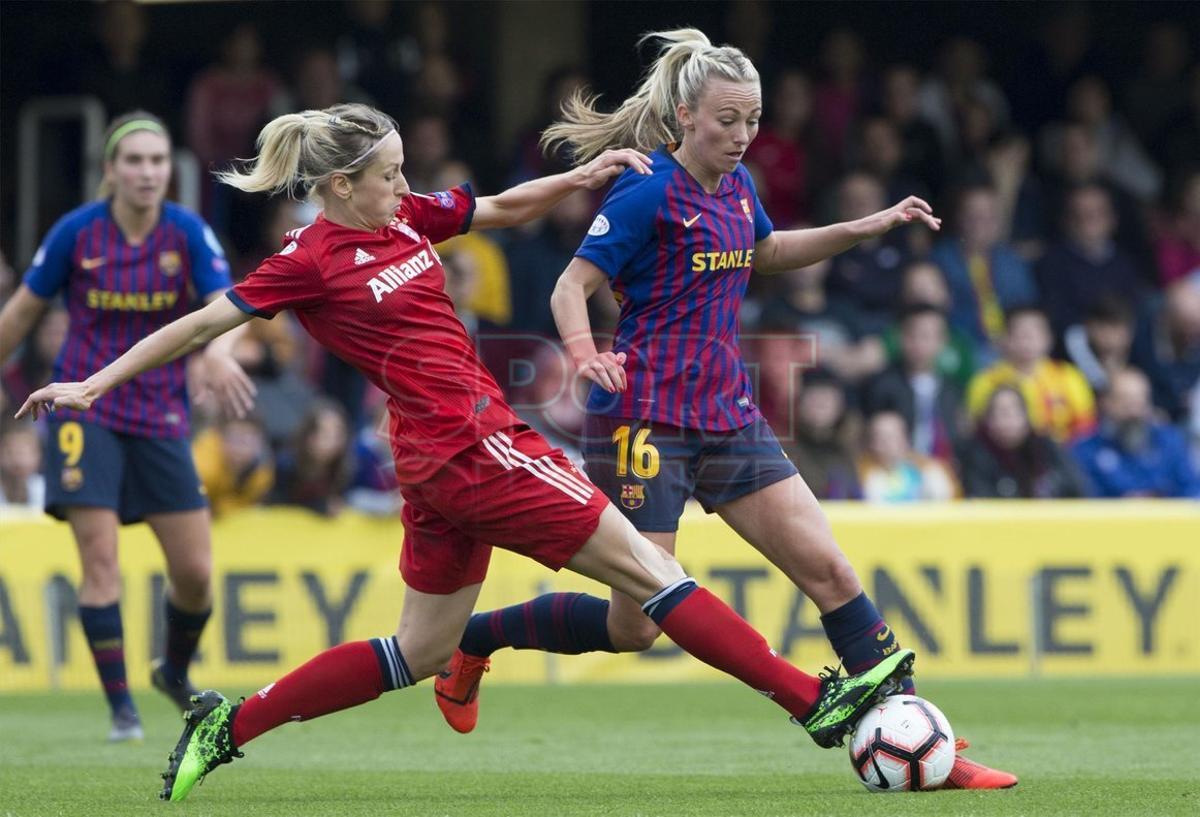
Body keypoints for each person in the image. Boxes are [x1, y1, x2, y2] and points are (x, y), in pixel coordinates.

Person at [16, 102, 916, 802]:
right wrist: (94, 386)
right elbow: (204, 321)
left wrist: (581, 176)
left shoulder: (402, 216)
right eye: (388, 174)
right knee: (653, 573)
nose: (404, 186)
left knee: (415, 649)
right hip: (476, 445)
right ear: (338, 187)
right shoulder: (310, 258)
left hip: (433, 460)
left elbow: (494, 207)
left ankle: (226, 727)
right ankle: (812, 698)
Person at [435, 29, 1014, 790]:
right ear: (685, 117)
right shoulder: (645, 190)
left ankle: (924, 745)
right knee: (634, 624)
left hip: (729, 418)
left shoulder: (738, 186)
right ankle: (475, 638)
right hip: (645, 425)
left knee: (832, 572)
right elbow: (568, 288)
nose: (743, 136)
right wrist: (584, 356)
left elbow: (765, 252)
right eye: (727, 120)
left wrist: (861, 228)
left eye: (752, 119)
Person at [0, 111, 256, 742]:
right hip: (83, 410)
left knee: (195, 574)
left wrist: (220, 354)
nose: (147, 172)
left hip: (162, 413)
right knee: (101, 560)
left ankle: (171, 670)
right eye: (135, 161)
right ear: (110, 170)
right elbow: (22, 313)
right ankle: (122, 711)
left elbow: (229, 310)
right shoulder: (75, 234)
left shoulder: (188, 234)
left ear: (170, 171)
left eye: (158, 161)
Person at [960, 386, 1084, 499]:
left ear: (1026, 416)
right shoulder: (975, 453)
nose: (1007, 420)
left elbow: (1078, 487)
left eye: (1012, 412)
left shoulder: (1045, 446)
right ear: (988, 420)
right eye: (999, 413)